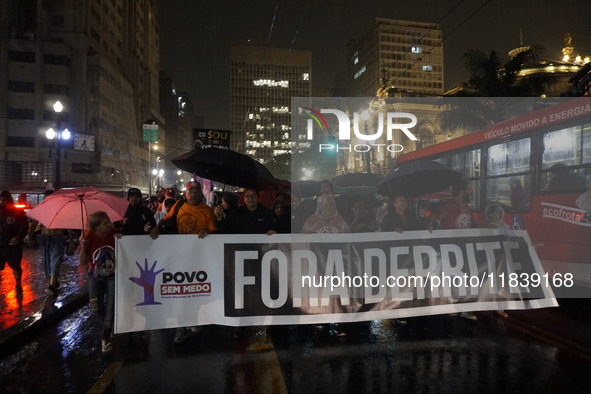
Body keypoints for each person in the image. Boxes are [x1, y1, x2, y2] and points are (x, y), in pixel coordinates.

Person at [150, 181, 217, 343]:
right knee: (182, 292)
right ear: (185, 194)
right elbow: (165, 220)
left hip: (198, 257)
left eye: (195, 191)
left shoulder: (207, 211)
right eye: (189, 191)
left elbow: (215, 232)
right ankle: (181, 328)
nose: (192, 194)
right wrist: (156, 230)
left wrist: (206, 232)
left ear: (200, 194)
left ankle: (193, 320)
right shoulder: (179, 206)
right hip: (179, 256)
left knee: (195, 290)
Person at [223, 187, 276, 351]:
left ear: (258, 198)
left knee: (260, 293)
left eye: (254, 195)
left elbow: (276, 228)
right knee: (241, 293)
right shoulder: (237, 214)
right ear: (244, 198)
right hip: (241, 259)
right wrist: (219, 218)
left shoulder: (266, 213)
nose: (251, 198)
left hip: (261, 260)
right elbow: (226, 231)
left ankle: (261, 326)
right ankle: (240, 325)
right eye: (248, 196)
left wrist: (274, 231)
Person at [427, 181, 477, 320]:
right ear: (461, 191)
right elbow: (434, 217)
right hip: (451, 248)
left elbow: (473, 225)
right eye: (468, 189)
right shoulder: (448, 206)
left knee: (466, 278)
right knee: (452, 279)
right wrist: (431, 226)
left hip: (465, 248)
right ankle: (451, 305)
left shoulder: (466, 206)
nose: (469, 192)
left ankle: (466, 307)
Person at [302, 194, 349, 336]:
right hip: (318, 265)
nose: (332, 206)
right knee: (320, 292)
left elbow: (349, 238)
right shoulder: (312, 221)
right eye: (329, 204)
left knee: (337, 292)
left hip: (336, 264)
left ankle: (339, 321)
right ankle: (320, 318)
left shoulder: (340, 221)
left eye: (333, 203)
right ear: (321, 205)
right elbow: (303, 239)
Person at [79, 211, 122, 353]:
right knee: (95, 306)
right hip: (94, 276)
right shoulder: (88, 237)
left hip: (113, 276)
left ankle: (105, 338)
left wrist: (122, 239)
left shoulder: (115, 233)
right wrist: (83, 244)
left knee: (110, 306)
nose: (109, 225)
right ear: (96, 227)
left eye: (109, 221)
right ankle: (108, 325)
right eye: (105, 223)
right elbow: (83, 260)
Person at [28, 190, 76, 296]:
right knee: (46, 261)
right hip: (44, 238)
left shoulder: (61, 210)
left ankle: (51, 285)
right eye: (45, 198)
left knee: (55, 260)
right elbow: (34, 224)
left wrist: (71, 240)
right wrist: (31, 238)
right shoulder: (41, 210)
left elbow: (68, 226)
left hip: (57, 238)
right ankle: (53, 281)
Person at [0, 190, 29, 295]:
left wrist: (19, 238)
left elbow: (24, 227)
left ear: (9, 200)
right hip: (0, 244)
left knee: (16, 266)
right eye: (0, 200)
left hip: (12, 246)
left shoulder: (18, 213)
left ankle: (18, 284)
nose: (2, 202)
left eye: (4, 200)